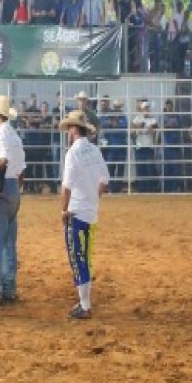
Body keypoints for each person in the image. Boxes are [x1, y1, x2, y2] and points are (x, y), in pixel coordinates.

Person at [59, 110, 109, 320]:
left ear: (72, 129)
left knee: (77, 259)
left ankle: (85, 304)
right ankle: (84, 301)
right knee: (85, 258)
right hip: (90, 211)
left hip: (77, 211)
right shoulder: (94, 151)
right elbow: (104, 181)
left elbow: (66, 187)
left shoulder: (73, 153)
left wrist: (64, 210)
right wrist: (93, 198)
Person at [0, 96, 26, 305]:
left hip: (4, 188)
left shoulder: (1, 134)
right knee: (10, 242)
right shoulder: (14, 136)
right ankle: (9, 287)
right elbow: (21, 171)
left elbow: (2, 160)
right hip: (15, 189)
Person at [101, 99, 128, 193]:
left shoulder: (123, 117)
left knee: (120, 168)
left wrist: (113, 126)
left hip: (121, 146)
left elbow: (124, 130)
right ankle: (112, 188)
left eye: (118, 106)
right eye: (116, 106)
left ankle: (117, 188)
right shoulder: (109, 116)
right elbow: (102, 124)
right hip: (112, 147)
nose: (117, 108)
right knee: (110, 168)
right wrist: (111, 124)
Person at [132, 100, 158, 193]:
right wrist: (140, 127)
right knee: (140, 168)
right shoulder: (137, 119)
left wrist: (144, 128)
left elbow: (153, 131)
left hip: (149, 146)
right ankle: (142, 189)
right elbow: (133, 132)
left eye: (147, 108)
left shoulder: (153, 119)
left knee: (149, 168)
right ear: (141, 109)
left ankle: (150, 189)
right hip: (140, 147)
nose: (146, 110)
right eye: (144, 108)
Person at [158, 99, 184, 192]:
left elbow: (180, 126)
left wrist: (168, 125)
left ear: (172, 106)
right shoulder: (162, 116)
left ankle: (174, 188)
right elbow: (161, 128)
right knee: (165, 169)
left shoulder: (177, 116)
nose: (169, 107)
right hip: (165, 146)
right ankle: (165, 189)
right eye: (167, 105)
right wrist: (169, 125)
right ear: (165, 106)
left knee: (175, 169)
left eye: (170, 105)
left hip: (175, 146)